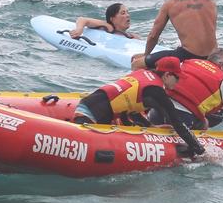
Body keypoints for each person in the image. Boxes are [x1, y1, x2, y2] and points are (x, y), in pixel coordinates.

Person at [153, 51, 223, 163]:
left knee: (204, 121)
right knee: (205, 122)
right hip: (182, 119)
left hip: (155, 110)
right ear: (221, 65)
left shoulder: (188, 63)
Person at [72, 67, 207, 158]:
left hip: (87, 106)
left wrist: (151, 128)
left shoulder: (142, 74)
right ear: (167, 75)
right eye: (177, 78)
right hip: (91, 116)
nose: (177, 83)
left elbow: (128, 108)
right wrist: (200, 151)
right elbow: (177, 123)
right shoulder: (157, 90)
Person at [135, 0, 218, 70]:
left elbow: (153, 36)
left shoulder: (170, 4)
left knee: (136, 64)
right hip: (212, 57)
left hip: (189, 56)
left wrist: (146, 55)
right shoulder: (211, 2)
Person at [70, 3, 137, 40]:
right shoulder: (109, 27)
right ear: (112, 18)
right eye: (123, 13)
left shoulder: (131, 36)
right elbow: (82, 19)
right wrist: (79, 29)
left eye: (127, 13)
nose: (127, 15)